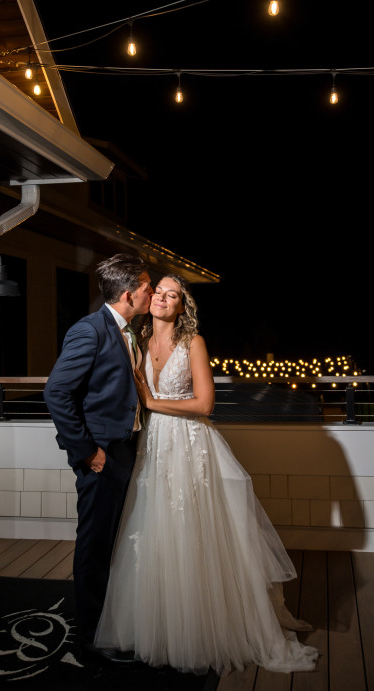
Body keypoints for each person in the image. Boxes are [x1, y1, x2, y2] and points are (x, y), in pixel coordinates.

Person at [94, 274, 319, 675]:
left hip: (189, 444)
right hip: (152, 446)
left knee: (194, 532)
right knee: (155, 531)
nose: (163, 298)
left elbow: (204, 405)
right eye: (159, 292)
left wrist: (151, 401)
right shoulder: (137, 341)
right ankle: (162, 627)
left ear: (183, 306)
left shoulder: (192, 343)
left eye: (173, 295)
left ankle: (204, 628)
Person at [43, 254, 153, 660]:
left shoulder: (128, 332)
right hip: (102, 455)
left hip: (125, 450)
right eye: (147, 287)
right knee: (95, 544)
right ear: (128, 294)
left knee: (116, 541)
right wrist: (89, 453)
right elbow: (56, 392)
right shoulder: (89, 330)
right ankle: (93, 635)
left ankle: (113, 620)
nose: (151, 293)